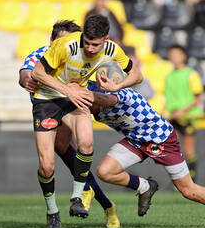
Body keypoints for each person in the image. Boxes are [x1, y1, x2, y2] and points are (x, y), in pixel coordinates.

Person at [30, 14, 143, 228]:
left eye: (95, 44)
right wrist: (67, 90)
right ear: (83, 37)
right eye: (87, 43)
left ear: (106, 39)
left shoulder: (112, 49)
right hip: (47, 99)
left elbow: (137, 76)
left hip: (76, 97)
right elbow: (37, 72)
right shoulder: (66, 45)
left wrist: (116, 87)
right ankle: (52, 212)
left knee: (87, 143)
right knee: (47, 165)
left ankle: (76, 197)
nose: (90, 49)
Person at [85, 60, 205, 215]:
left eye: (87, 100)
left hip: (161, 138)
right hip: (136, 140)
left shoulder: (119, 93)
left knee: (188, 190)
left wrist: (90, 95)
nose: (84, 104)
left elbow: (110, 100)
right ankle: (145, 186)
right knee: (105, 172)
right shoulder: (96, 111)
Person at [164, 44, 204, 183]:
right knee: (171, 149)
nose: (173, 57)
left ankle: (192, 180)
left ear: (184, 56)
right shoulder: (169, 76)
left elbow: (198, 98)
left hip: (187, 117)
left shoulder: (191, 74)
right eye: (171, 54)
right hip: (172, 117)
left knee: (188, 151)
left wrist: (182, 110)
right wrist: (165, 112)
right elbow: (168, 98)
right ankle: (180, 180)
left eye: (176, 54)